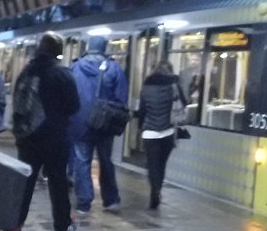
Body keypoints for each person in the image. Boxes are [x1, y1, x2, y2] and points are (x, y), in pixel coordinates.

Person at [5, 32, 80, 231]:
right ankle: (63, 225)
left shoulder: (26, 72)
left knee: (25, 183)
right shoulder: (61, 74)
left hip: (27, 137)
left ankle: (13, 228)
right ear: (59, 51)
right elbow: (74, 106)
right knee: (57, 181)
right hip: (54, 137)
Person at [69, 35, 129, 213]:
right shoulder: (114, 68)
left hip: (80, 123)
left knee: (82, 161)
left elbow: (69, 94)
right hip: (105, 124)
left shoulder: (76, 67)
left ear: (88, 46)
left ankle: (84, 202)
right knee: (106, 160)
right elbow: (121, 98)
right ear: (105, 48)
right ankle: (110, 200)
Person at [135, 60, 187, 210]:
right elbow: (184, 103)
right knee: (161, 165)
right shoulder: (174, 86)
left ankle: (154, 190)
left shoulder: (146, 87)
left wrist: (140, 129)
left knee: (152, 164)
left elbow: (142, 111)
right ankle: (157, 190)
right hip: (168, 132)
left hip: (149, 133)